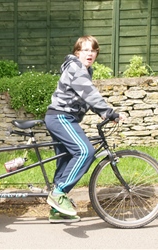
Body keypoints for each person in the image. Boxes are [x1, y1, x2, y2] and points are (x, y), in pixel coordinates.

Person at [45, 35, 125, 223]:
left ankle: (57, 211)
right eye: (85, 50)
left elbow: (86, 97)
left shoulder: (84, 71)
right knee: (85, 152)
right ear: (77, 53)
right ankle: (58, 194)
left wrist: (104, 114)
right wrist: (109, 112)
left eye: (93, 50)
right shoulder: (75, 68)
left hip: (64, 117)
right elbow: (89, 93)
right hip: (60, 117)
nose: (90, 53)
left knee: (66, 162)